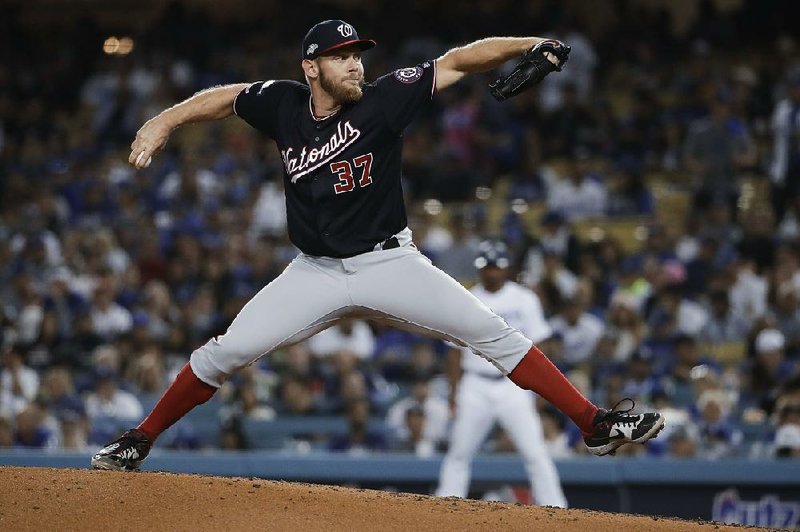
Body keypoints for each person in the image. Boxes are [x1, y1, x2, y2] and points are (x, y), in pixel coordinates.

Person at [92, 19, 663, 471]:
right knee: (224, 353)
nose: (355, 63)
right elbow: (226, 97)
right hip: (314, 271)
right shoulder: (284, 104)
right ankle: (138, 440)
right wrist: (162, 122)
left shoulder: (386, 98)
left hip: (390, 261)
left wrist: (531, 43)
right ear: (311, 67)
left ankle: (594, 425)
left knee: (496, 335)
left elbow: (458, 61)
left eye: (358, 54)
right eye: (342, 56)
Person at [435, 240, 567, 506]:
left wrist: (541, 387)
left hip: (513, 386)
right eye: (487, 267)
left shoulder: (525, 299)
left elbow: (538, 347)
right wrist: (454, 392)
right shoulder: (466, 299)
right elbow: (453, 351)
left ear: (506, 268)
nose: (492, 272)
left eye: (497, 266)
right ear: (479, 269)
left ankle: (557, 509)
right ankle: (446, 507)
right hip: (475, 385)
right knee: (459, 453)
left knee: (535, 452)